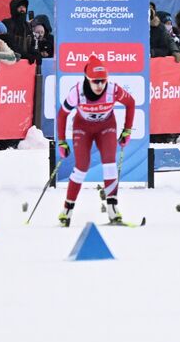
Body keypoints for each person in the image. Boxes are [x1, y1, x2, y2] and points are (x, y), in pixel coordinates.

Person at [55, 57, 137, 226]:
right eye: (95, 81)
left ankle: (113, 210)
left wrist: (127, 130)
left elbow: (131, 102)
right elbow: (62, 114)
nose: (100, 85)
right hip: (83, 128)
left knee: (109, 162)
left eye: (103, 81)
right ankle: (67, 210)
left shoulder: (113, 90)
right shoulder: (77, 92)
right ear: (87, 79)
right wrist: (62, 141)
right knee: (82, 166)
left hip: (106, 127)